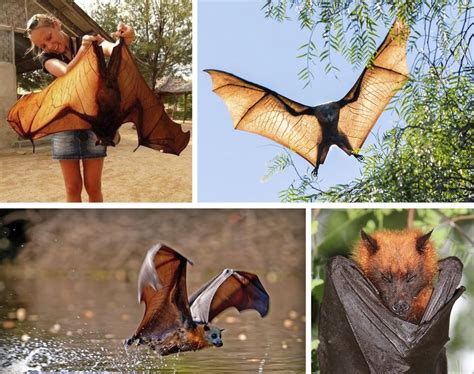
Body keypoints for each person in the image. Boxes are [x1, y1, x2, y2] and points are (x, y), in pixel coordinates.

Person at [26, 14, 135, 202]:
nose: (48, 46)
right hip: (64, 125)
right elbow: (66, 72)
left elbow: (117, 50)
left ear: (57, 24)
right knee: (72, 187)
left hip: (93, 123)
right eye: (42, 45)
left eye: (49, 37)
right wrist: (84, 49)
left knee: (94, 187)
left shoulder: (89, 41)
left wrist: (127, 38)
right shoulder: (48, 57)